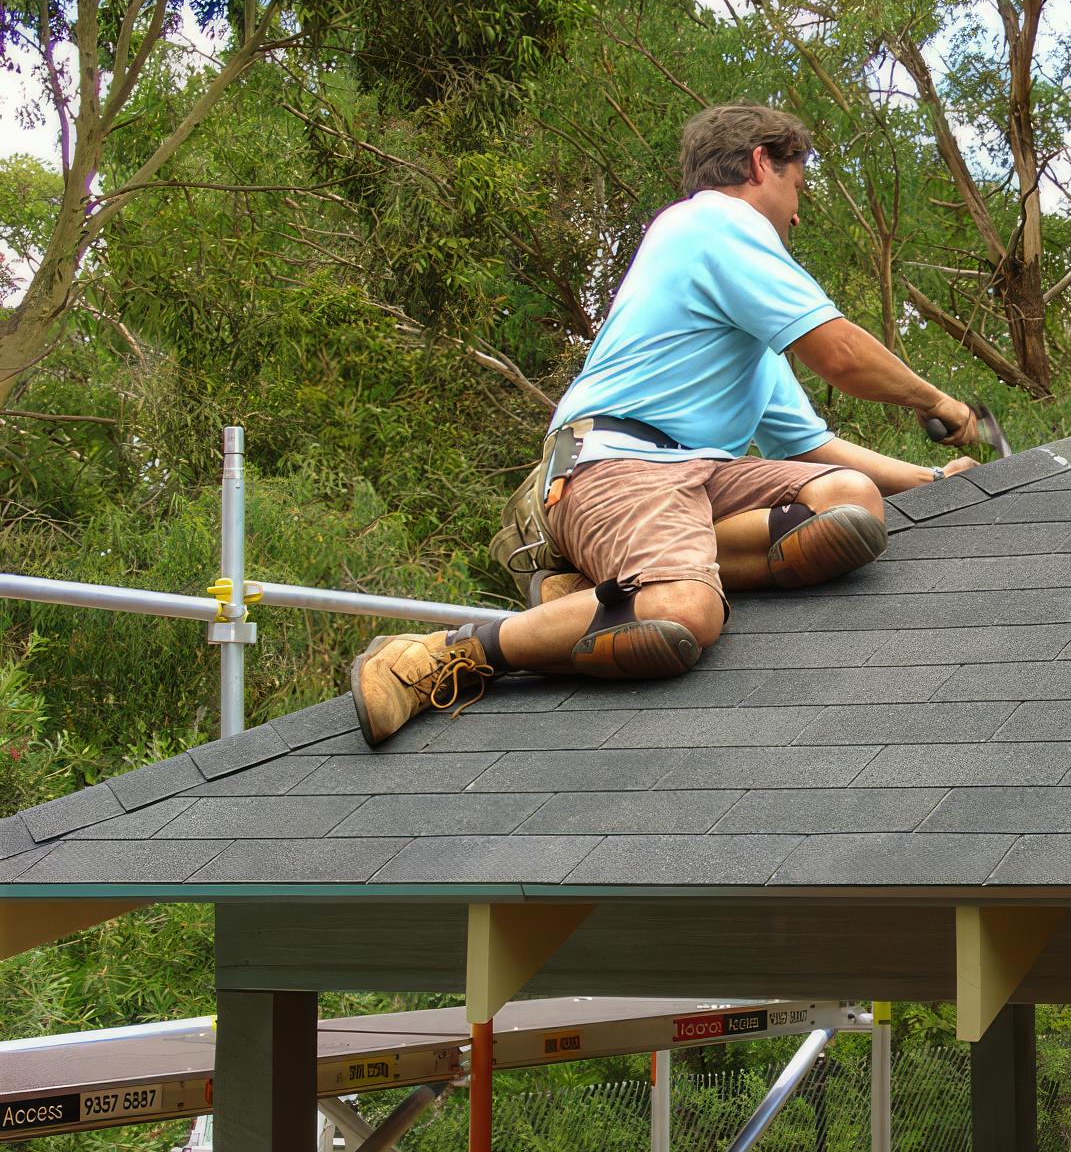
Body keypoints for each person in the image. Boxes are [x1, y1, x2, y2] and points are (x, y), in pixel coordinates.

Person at [349, 103, 984, 746]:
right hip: (616, 461)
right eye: (798, 185)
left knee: (848, 501)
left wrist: (934, 478)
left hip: (698, 473)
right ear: (762, 162)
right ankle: (441, 655)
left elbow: (811, 445)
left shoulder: (738, 322)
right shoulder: (712, 222)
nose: (799, 211)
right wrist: (942, 406)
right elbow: (840, 354)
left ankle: (598, 587)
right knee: (687, 613)